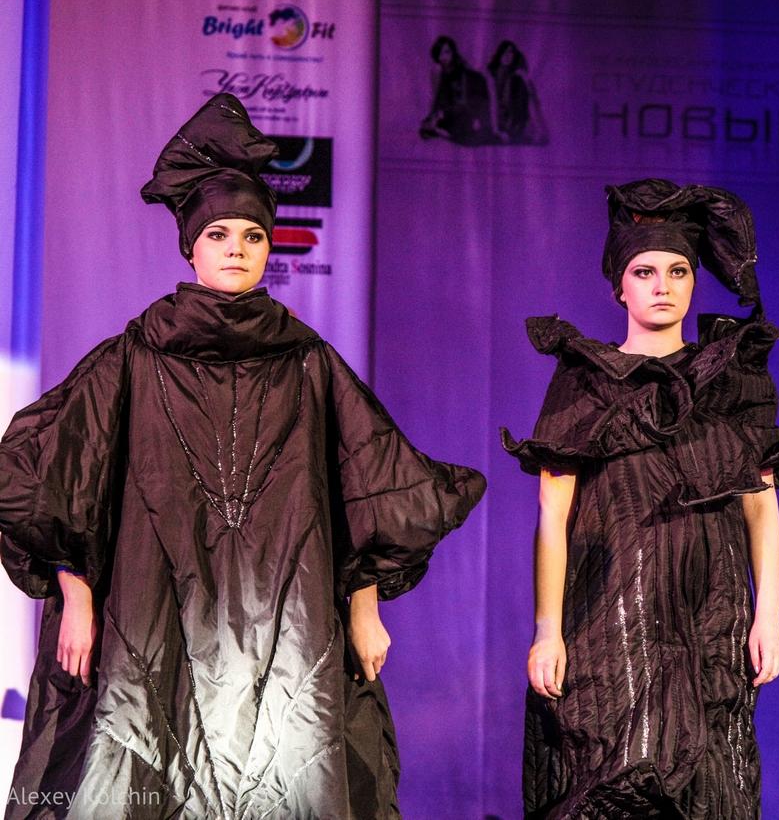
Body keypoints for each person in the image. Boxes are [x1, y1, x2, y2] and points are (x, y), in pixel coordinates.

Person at [0, 94, 486, 819]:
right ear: (190, 247)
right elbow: (53, 477)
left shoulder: (308, 363)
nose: (236, 247)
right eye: (218, 233)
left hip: (284, 625)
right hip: (151, 616)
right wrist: (75, 596)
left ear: (270, 248)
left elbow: (367, 493)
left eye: (253, 234)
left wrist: (366, 609)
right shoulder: (134, 357)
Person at [501, 179, 779, 819]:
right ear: (619, 286)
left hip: (712, 615)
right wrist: (547, 630)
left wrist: (770, 613)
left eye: (678, 271)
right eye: (644, 272)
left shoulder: (734, 381)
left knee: (711, 786)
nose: (662, 286)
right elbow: (553, 516)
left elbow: (761, 503)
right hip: (612, 620)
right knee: (613, 781)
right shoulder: (585, 381)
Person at [419, 35, 496, 145]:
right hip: (451, 111)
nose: (443, 57)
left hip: (467, 110)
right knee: (426, 128)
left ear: (453, 52)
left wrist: (442, 114)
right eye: (440, 53)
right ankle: (442, 129)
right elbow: (437, 97)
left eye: (447, 52)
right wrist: (433, 116)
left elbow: (465, 99)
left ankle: (448, 131)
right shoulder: (438, 71)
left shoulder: (462, 70)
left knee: (460, 130)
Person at [486, 40, 547, 145]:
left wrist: (526, 79)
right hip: (500, 118)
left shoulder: (517, 74)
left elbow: (532, 99)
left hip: (516, 117)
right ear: (500, 54)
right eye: (505, 52)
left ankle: (535, 129)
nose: (508, 55)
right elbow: (493, 102)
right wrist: (496, 130)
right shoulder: (493, 75)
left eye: (511, 52)